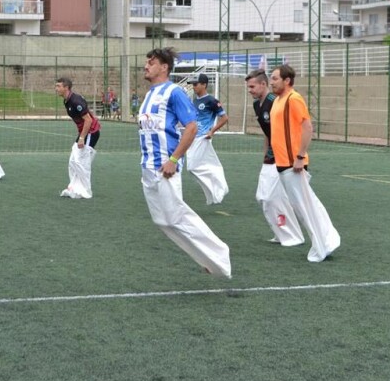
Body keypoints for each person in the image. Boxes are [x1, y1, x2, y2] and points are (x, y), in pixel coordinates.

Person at [137, 47, 231, 278]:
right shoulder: (150, 94)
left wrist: (173, 159)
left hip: (164, 168)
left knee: (177, 216)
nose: (146, 66)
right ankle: (208, 260)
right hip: (148, 168)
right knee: (163, 221)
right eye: (146, 62)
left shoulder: (174, 92)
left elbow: (192, 126)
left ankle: (220, 255)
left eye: (151, 62)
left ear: (164, 67)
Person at [269, 64, 340, 262]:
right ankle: (326, 241)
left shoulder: (294, 99)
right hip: (283, 162)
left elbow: (307, 127)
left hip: (293, 163)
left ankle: (322, 246)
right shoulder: (277, 100)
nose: (271, 81)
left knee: (306, 207)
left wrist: (300, 157)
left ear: (287, 81)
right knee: (307, 205)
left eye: (275, 78)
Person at [245, 70, 305, 247]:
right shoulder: (258, 105)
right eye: (248, 87)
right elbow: (268, 133)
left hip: (284, 156)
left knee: (273, 197)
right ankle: (282, 233)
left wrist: (298, 156)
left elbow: (296, 127)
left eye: (252, 86)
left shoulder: (274, 102)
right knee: (263, 197)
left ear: (263, 85)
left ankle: (292, 235)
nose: (250, 90)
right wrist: (265, 154)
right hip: (271, 156)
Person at [186, 73, 229, 205]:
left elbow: (224, 118)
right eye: (192, 85)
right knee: (200, 165)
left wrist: (212, 131)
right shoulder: (195, 101)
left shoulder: (212, 101)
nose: (193, 87)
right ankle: (217, 189)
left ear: (204, 84)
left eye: (195, 84)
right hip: (194, 137)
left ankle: (219, 186)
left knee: (192, 166)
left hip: (203, 137)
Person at [55, 77, 101, 199]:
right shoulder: (66, 101)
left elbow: (89, 120)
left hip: (91, 132)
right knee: (73, 160)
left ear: (66, 88)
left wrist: (82, 138)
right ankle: (74, 186)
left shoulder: (76, 101)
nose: (56, 89)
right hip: (84, 132)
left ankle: (85, 190)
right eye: (56, 86)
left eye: (59, 86)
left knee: (82, 162)